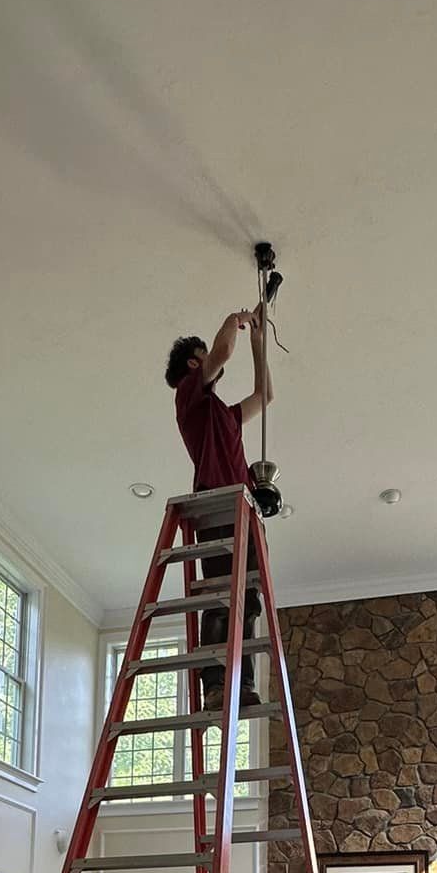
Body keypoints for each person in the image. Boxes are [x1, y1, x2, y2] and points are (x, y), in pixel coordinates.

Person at [164, 300, 274, 709]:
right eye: (203, 358)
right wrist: (238, 318)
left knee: (246, 600)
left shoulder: (223, 413)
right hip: (214, 504)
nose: (211, 361)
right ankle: (215, 685)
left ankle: (239, 683)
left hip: (242, 509)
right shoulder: (188, 397)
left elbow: (265, 396)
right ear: (195, 366)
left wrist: (259, 343)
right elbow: (223, 351)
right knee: (220, 597)